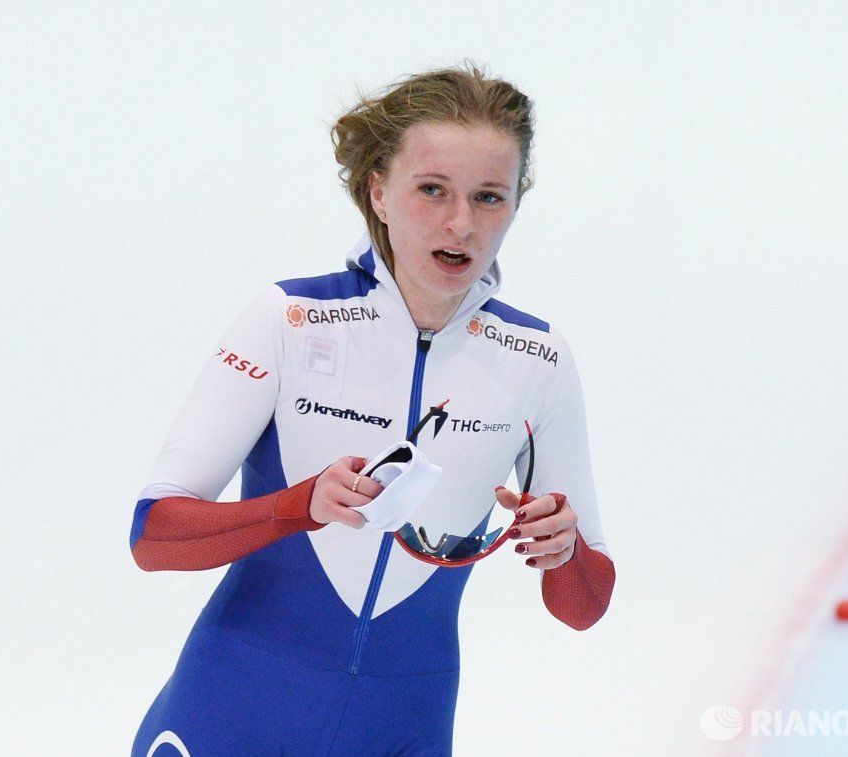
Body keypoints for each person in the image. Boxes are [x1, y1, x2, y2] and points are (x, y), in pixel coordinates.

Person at [128, 61, 616, 756]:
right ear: (378, 192)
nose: (460, 223)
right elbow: (152, 537)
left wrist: (564, 550)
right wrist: (297, 506)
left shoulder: (536, 360)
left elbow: (582, 608)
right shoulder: (291, 319)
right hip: (235, 706)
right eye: (431, 189)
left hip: (401, 721)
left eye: (488, 197)